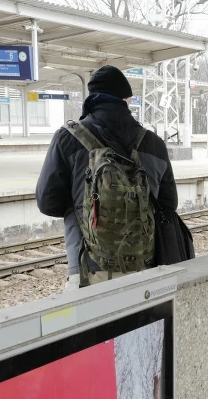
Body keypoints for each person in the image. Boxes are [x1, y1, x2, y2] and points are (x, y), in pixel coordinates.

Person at [36, 65, 178, 290]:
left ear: (92, 98)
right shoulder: (154, 143)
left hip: (88, 268)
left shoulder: (67, 138)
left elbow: (48, 203)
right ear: (126, 100)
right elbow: (169, 204)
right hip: (145, 266)